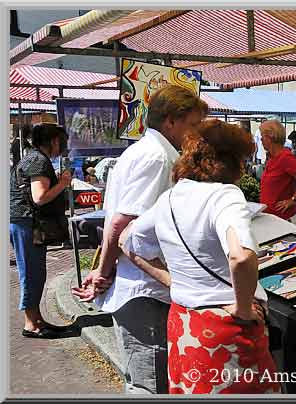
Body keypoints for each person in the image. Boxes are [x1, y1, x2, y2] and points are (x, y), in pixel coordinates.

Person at [118, 120, 280, 394]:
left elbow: (127, 241)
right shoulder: (225, 196)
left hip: (184, 324)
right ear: (231, 160)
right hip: (227, 330)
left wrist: (170, 280)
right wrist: (241, 307)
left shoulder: (169, 198)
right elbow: (240, 257)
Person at [71, 85, 208, 394]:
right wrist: (104, 271)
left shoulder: (145, 151)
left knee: (147, 378)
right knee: (150, 383)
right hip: (145, 290)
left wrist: (101, 269)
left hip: (142, 286)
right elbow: (123, 225)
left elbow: (117, 223)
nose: (197, 133)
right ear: (171, 121)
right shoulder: (158, 158)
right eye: (193, 124)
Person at [10, 123, 72, 338]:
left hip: (26, 222)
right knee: (30, 271)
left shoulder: (33, 157)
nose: (62, 147)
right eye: (61, 142)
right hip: (26, 222)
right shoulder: (37, 160)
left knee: (36, 271)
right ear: (54, 141)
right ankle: (31, 324)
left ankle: (37, 318)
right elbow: (40, 197)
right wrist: (63, 182)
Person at [259, 120, 296, 224]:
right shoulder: (272, 158)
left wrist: (293, 199)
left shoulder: (285, 158)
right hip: (273, 219)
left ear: (270, 137)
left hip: (285, 220)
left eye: (262, 136)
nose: (261, 139)